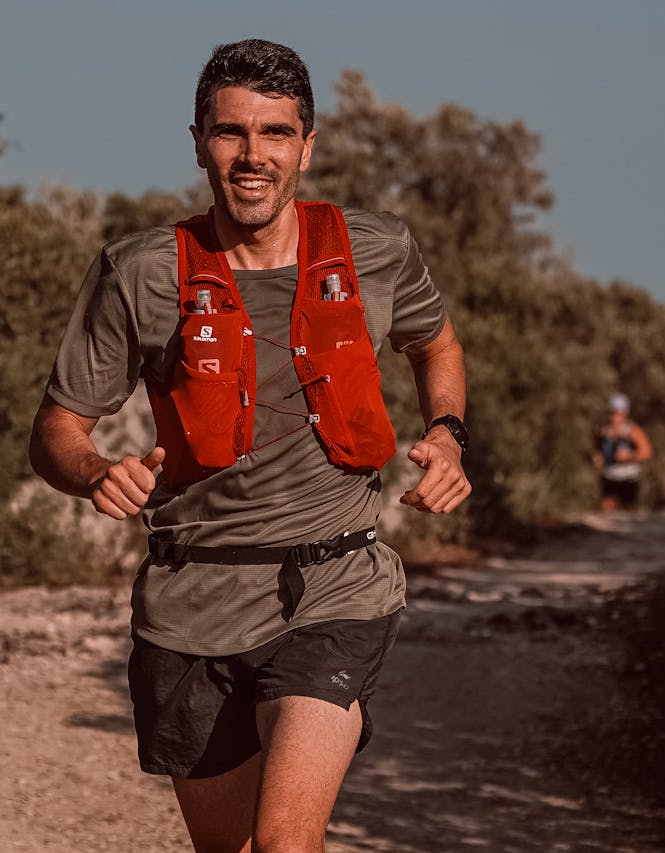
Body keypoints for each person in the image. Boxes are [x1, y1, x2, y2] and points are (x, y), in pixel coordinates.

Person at [28, 39, 470, 852]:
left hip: (335, 584)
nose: (252, 155)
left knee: (285, 844)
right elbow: (57, 429)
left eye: (274, 133)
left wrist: (446, 432)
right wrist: (94, 472)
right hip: (192, 600)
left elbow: (435, 343)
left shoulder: (376, 249)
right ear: (198, 141)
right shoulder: (140, 273)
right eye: (231, 132)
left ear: (309, 143)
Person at [591, 393, 652, 512]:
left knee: (628, 511)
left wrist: (629, 456)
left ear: (625, 413)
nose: (616, 417)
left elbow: (647, 452)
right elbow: (598, 452)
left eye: (620, 413)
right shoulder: (603, 431)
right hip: (610, 476)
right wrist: (597, 459)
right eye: (614, 413)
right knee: (607, 510)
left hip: (629, 478)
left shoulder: (632, 431)